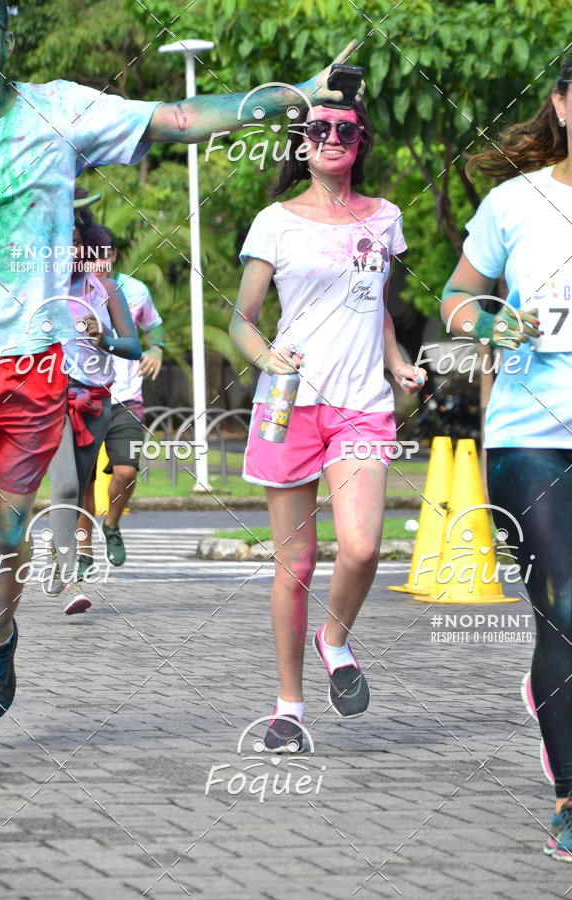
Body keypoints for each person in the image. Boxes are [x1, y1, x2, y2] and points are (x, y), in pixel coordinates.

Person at [0, 0, 359, 771]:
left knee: (4, 537)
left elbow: (180, 118)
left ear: (4, 38)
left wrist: (297, 93)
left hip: (27, 366)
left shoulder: (60, 111)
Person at [230, 100, 427, 752]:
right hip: (289, 403)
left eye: (346, 129)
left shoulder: (386, 218)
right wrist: (267, 355)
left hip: (360, 404)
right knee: (297, 563)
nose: (333, 137)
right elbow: (244, 320)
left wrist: (397, 364)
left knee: (363, 547)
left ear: (361, 140)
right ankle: (289, 707)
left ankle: (334, 639)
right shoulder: (274, 223)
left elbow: (376, 312)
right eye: (321, 129)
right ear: (304, 143)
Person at [441, 52, 572, 861]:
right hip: (532, 434)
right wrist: (489, 325)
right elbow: (457, 297)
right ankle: (569, 794)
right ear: (562, 102)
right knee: (565, 607)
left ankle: (546, 689)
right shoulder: (512, 203)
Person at [45, 221, 140, 614]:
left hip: (97, 401)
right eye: (62, 244)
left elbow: (134, 346)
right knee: (66, 487)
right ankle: (70, 581)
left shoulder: (106, 289)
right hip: (50, 399)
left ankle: (55, 552)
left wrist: (105, 339)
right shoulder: (39, 289)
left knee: (78, 489)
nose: (70, 250)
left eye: (77, 243)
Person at [75, 226, 165, 573]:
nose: (96, 261)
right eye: (90, 254)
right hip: (84, 396)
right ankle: (83, 550)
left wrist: (156, 347)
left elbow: (154, 326)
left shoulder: (135, 291)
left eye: (103, 254)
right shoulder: (72, 291)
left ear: (112, 256)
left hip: (126, 398)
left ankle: (110, 525)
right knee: (84, 479)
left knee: (126, 471)